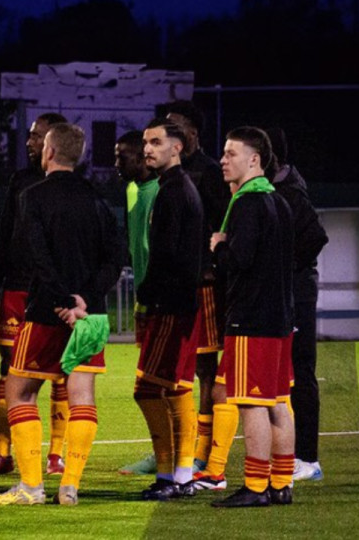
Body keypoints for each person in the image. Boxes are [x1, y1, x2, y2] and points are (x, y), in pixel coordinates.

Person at [0, 123, 125, 506]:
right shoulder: (99, 199)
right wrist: (85, 299)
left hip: (47, 310)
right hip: (89, 314)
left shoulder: (33, 196)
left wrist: (62, 298)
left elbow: (37, 257)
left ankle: (31, 486)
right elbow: (115, 258)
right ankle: (70, 486)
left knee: (19, 391)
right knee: (82, 396)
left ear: (48, 152)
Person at [0, 112, 70, 477]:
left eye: (36, 137)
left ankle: (56, 455)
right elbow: (7, 231)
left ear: (52, 143)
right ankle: (2, 453)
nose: (29, 143)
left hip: (51, 289)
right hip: (16, 287)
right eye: (28, 136)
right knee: (8, 367)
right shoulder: (20, 181)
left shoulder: (70, 185)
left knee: (60, 371)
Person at [209, 126, 296, 507]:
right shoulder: (280, 202)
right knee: (278, 403)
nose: (223, 160)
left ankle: (256, 486)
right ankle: (281, 483)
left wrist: (218, 247)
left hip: (250, 320)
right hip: (279, 319)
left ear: (254, 160)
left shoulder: (247, 203)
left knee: (250, 403)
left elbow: (237, 261)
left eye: (231, 153)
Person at [132, 120, 205, 501]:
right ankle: (178, 475)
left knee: (149, 390)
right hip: (178, 305)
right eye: (146, 143)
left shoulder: (175, 191)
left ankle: (172, 476)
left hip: (171, 307)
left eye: (156, 142)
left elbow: (168, 255)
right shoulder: (174, 188)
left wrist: (147, 293)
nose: (148, 149)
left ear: (176, 148)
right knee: (172, 390)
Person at [164, 100, 232, 476]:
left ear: (191, 132)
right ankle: (178, 447)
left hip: (202, 284)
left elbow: (222, 225)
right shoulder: (170, 172)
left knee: (205, 368)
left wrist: (210, 267)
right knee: (176, 368)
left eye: (174, 127)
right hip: (175, 284)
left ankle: (201, 452)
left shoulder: (207, 172)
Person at [266, 128, 328, 482]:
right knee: (283, 375)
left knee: (300, 371)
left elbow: (316, 236)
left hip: (298, 293)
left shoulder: (289, 192)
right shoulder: (276, 190)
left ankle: (308, 458)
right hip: (285, 291)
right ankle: (290, 454)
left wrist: (286, 270)